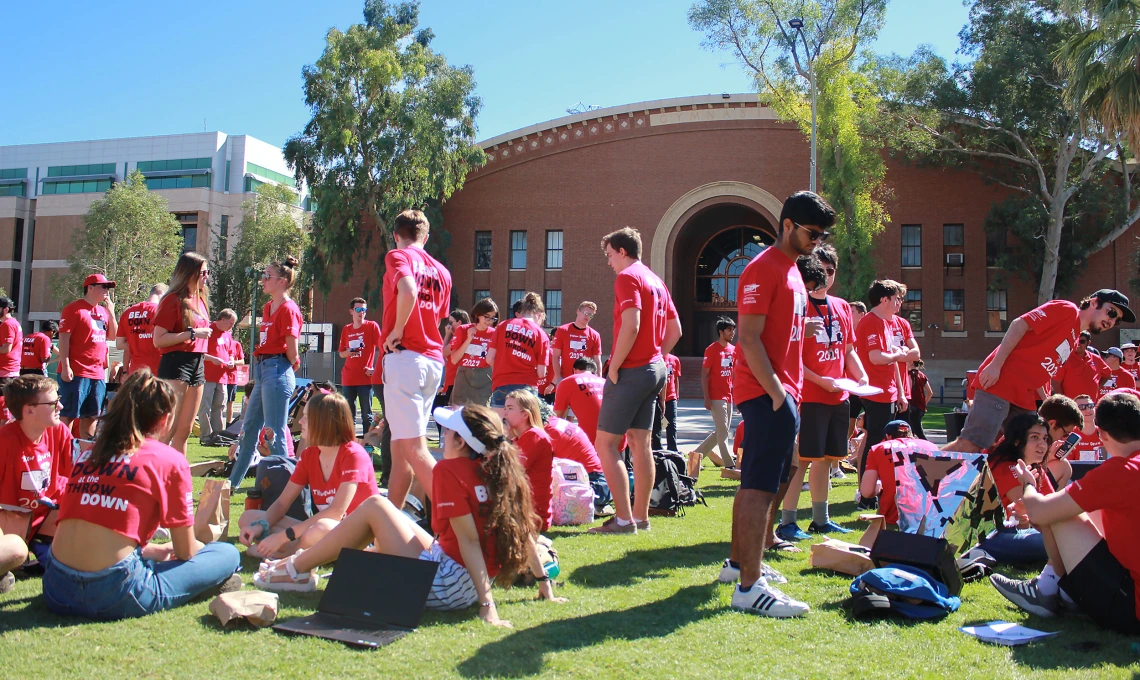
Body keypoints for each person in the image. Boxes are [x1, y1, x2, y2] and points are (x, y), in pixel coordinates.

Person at [255, 404, 564, 624]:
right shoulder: (497, 471)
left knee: (376, 506)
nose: (443, 436)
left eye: (448, 431)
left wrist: (487, 606)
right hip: (462, 579)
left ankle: (294, 570)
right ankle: (295, 567)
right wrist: (543, 585)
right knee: (384, 507)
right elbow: (524, 532)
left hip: (450, 584)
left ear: (461, 441)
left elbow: (469, 541)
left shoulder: (451, 470)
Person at [43, 370, 240, 620]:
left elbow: (96, 530)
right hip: (115, 591)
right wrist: (197, 550)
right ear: (165, 419)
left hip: (56, 586)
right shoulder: (167, 459)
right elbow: (186, 552)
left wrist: (152, 550)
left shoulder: (88, 455)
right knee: (226, 554)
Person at [718, 191, 833, 617]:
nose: (817, 242)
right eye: (812, 233)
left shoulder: (790, 272)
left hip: (785, 392)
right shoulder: (762, 268)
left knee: (769, 479)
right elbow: (747, 338)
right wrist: (778, 394)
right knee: (759, 487)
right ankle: (749, 588)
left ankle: (739, 566)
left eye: (821, 237)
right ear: (788, 225)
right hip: (768, 393)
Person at [988, 390, 1140, 632]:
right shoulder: (1010, 467)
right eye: (1035, 438)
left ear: (1101, 434)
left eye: (1044, 438)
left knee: (1058, 514)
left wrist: (1028, 483)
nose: (1042, 444)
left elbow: (1040, 512)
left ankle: (1048, 589)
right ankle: (1058, 589)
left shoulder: (1118, 470)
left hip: (1129, 608)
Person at [945, 289, 1134, 453]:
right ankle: (919, 470)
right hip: (1001, 383)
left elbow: (1043, 369)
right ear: (1094, 302)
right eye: (1111, 313)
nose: (1111, 321)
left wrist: (1047, 400)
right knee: (971, 446)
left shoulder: (1075, 338)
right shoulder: (1067, 310)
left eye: (1116, 321)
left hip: (1023, 397)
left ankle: (999, 492)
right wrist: (995, 365)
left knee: (1025, 449)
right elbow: (1020, 324)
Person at [589, 227, 681, 535]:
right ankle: (640, 517)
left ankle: (624, 520)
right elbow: (675, 329)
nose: (608, 262)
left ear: (623, 252)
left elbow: (631, 325)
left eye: (610, 255)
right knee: (641, 445)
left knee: (606, 444)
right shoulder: (656, 280)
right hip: (655, 369)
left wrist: (613, 366)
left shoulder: (627, 277)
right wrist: (656, 354)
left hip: (632, 369)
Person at [779, 243, 868, 540]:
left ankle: (820, 519)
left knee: (827, 461)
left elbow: (848, 350)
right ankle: (788, 521)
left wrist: (861, 374)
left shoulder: (842, 306)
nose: (826, 277)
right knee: (801, 461)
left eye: (831, 271)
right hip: (811, 397)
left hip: (838, 396)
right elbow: (790, 357)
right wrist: (820, 381)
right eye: (822, 270)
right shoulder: (798, 304)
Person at [239, 392, 379, 559]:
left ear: (324, 422)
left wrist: (282, 537)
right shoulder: (310, 455)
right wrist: (261, 526)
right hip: (322, 530)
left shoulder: (353, 455)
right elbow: (283, 503)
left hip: (357, 537)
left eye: (306, 417)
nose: (300, 421)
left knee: (320, 528)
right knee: (249, 518)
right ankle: (301, 550)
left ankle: (286, 555)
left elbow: (336, 512)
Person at [381, 210, 452, 511]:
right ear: (426, 236)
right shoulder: (442, 271)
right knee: (402, 451)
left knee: (413, 448)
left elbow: (408, 290)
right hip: (431, 361)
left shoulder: (398, 257)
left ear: (396, 235)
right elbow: (439, 316)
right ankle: (389, 524)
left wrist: (396, 330)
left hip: (406, 358)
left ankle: (463, 521)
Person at [229, 257, 304, 487]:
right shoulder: (268, 306)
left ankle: (288, 488)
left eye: (267, 276)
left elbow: (292, 349)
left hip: (277, 369)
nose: (262, 280)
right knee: (250, 429)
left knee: (274, 432)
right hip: (264, 369)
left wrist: (292, 362)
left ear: (281, 281)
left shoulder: (288, 309)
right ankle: (231, 485)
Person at [0, 375, 73, 576]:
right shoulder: (5, 441)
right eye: (53, 403)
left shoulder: (60, 432)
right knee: (16, 551)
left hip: (47, 522)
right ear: (29, 410)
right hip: (11, 526)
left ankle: (39, 558)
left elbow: (71, 481)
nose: (60, 406)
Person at [854, 279, 920, 483]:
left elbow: (911, 355)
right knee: (875, 442)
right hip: (876, 391)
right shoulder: (872, 321)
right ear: (884, 300)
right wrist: (897, 355)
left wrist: (900, 391)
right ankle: (866, 495)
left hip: (889, 390)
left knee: (885, 441)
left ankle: (880, 487)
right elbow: (876, 357)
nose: (899, 303)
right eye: (896, 299)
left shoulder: (885, 322)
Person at [152, 253, 213, 454]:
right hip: (176, 363)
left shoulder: (201, 298)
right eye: (203, 272)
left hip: (198, 363)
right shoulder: (172, 299)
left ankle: (178, 480)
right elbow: (158, 339)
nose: (207, 277)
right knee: (167, 428)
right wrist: (192, 333)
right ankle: (155, 476)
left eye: (207, 272)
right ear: (190, 273)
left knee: (184, 430)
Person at [58, 273, 118, 439]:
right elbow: (63, 338)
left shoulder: (103, 312)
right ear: (90, 288)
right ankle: (63, 451)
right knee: (68, 414)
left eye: (108, 287)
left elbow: (113, 336)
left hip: (97, 373)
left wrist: (111, 312)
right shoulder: (73, 309)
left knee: (92, 416)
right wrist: (66, 366)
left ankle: (85, 454)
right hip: (76, 371)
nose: (107, 290)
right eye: (103, 286)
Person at [857, 420, 938, 529]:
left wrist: (879, 486)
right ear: (912, 434)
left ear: (887, 436)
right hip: (928, 516)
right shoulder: (931, 447)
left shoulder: (879, 448)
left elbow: (867, 492)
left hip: (892, 517)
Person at [503, 389, 555, 532]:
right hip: (521, 512)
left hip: (532, 517)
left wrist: (500, 438)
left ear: (525, 414)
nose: (505, 413)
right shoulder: (518, 439)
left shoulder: (535, 436)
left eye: (510, 408)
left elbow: (509, 472)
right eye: (505, 408)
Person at [487, 293, 549, 415]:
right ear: (539, 315)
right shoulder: (541, 335)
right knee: (525, 430)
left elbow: (489, 359)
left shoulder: (503, 325)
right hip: (527, 387)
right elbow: (541, 373)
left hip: (501, 383)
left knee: (500, 428)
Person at [691, 318, 737, 478]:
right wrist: (707, 397)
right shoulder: (711, 350)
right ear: (721, 332)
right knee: (724, 432)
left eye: (733, 330)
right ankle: (730, 464)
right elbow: (704, 374)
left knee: (721, 431)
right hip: (716, 396)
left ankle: (695, 455)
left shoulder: (733, 350)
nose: (732, 333)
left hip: (729, 396)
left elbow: (735, 373)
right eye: (729, 330)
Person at [545, 415, 610, 514]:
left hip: (593, 485)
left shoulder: (547, 432)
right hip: (601, 482)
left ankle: (590, 506)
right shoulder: (553, 423)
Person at [338, 297, 382, 436]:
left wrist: (375, 369)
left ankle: (367, 445)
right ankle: (349, 443)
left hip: (365, 378)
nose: (361, 312)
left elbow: (382, 349)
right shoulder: (346, 329)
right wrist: (349, 351)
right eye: (358, 309)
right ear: (351, 311)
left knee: (366, 415)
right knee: (348, 415)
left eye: (364, 310)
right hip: (348, 378)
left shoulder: (371, 326)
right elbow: (341, 354)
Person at [198, 309, 240, 446]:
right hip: (207, 376)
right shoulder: (208, 331)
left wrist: (232, 360)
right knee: (205, 407)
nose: (231, 326)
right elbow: (199, 352)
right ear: (222, 319)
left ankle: (218, 434)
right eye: (230, 323)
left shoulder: (228, 334)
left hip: (222, 376)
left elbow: (231, 352)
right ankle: (205, 435)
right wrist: (212, 359)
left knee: (220, 406)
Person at [450, 297, 498, 407]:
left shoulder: (494, 333)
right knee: (459, 414)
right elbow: (454, 359)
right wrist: (468, 339)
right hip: (463, 377)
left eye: (492, 318)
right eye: (486, 317)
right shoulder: (462, 330)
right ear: (477, 315)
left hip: (484, 378)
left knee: (481, 415)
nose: (489, 321)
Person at [115, 284, 166, 377]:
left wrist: (137, 342)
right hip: (158, 371)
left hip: (135, 372)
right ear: (162, 295)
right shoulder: (160, 312)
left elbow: (120, 344)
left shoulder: (127, 312)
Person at [554, 357, 606, 444]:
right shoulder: (605, 382)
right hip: (617, 438)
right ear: (594, 372)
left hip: (590, 439)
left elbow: (556, 418)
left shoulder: (568, 381)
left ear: (574, 370)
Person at [436, 311, 470, 441]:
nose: (448, 325)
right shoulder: (456, 338)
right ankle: (443, 442)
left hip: (455, 383)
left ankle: (447, 442)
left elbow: (442, 353)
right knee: (439, 412)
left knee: (448, 416)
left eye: (451, 322)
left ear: (459, 322)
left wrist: (448, 334)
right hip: (449, 382)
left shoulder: (460, 337)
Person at [551, 302, 603, 387]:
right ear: (578, 311)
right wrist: (558, 378)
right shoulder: (563, 330)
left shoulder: (594, 335)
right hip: (566, 379)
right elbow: (555, 356)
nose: (588, 317)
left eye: (591, 315)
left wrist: (598, 379)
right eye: (586, 313)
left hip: (586, 382)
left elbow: (597, 360)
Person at [1052, 331, 1111, 399]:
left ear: (1088, 343)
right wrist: (1064, 401)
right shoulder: (1066, 358)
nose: (1078, 344)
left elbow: (1108, 373)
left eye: (1082, 341)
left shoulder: (1096, 358)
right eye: (1076, 341)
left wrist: (1099, 386)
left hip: (1090, 404)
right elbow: (1056, 383)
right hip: (1072, 404)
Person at [653, 352, 682, 452]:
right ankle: (657, 448)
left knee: (671, 424)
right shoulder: (656, 359)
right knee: (657, 424)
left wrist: (676, 396)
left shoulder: (674, 360)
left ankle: (672, 448)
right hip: (658, 397)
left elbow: (676, 379)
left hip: (671, 397)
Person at [1069, 394, 1105, 461]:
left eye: (1090, 406)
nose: (1088, 410)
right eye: (1082, 407)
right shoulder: (1070, 436)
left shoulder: (1105, 434)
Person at [904, 360, 933, 440]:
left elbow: (908, 390)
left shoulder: (909, 375)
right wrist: (924, 403)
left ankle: (929, 448)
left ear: (911, 362)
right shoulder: (922, 375)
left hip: (911, 406)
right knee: (912, 430)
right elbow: (930, 392)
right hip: (920, 406)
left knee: (917, 431)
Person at [223, 330, 246, 427]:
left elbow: (242, 361)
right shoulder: (219, 342)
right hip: (218, 377)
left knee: (230, 402)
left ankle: (228, 425)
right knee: (217, 404)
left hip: (231, 378)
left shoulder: (236, 344)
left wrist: (233, 363)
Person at [0, 296, 22, 385]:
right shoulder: (14, 323)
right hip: (10, 371)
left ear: (5, 309)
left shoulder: (7, 324)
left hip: (5, 373)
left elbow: (6, 349)